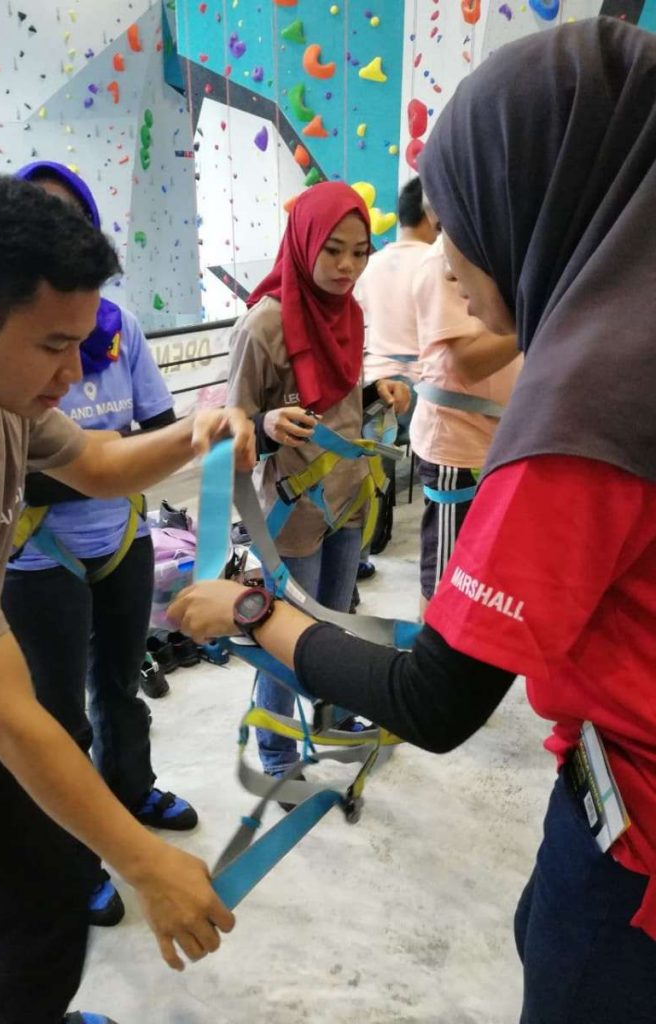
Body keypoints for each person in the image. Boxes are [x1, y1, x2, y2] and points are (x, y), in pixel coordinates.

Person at [170, 17, 656, 1023]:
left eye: (459, 221)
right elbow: (234, 415)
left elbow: (433, 698)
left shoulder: (587, 409)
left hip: (636, 834)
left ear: (538, 202)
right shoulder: (622, 356)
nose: (440, 268)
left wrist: (250, 611)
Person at [0, 175, 252, 1024]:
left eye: (82, 342)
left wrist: (196, 433)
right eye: (55, 345)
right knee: (52, 884)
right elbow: (9, 717)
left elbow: (95, 463)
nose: (74, 371)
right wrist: (147, 866)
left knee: (19, 870)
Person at [1, 163, 196, 929]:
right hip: (37, 553)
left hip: (121, 537)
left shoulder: (120, 331)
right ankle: (72, 858)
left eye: (69, 222)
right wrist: (108, 460)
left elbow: (158, 435)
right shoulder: (7, 345)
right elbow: (15, 479)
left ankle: (129, 789)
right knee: (55, 720)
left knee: (119, 685)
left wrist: (108, 461)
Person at [225, 181, 408, 783]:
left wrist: (374, 392)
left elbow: (334, 400)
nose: (347, 266)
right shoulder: (263, 326)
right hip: (292, 508)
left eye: (359, 252)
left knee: (336, 622)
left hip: (349, 497)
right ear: (304, 244)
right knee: (287, 634)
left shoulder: (349, 314)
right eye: (333, 250)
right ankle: (277, 751)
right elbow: (228, 427)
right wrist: (265, 425)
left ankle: (332, 712)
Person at [409, 235, 521, 615]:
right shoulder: (442, 260)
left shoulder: (496, 247)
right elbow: (466, 363)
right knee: (445, 582)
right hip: (458, 447)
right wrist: (542, 313)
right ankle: (434, 648)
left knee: (485, 572)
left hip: (500, 441)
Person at [354, 176, 438, 566]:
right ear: (431, 215)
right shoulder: (437, 262)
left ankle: (371, 539)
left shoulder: (371, 265)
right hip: (423, 386)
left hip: (374, 383)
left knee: (376, 463)